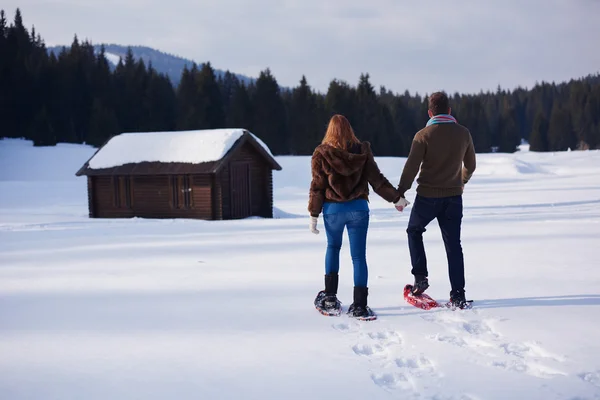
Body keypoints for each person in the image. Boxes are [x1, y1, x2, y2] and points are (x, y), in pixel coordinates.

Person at [308, 114, 403, 320]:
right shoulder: (362, 151)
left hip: (333, 210)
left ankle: (330, 298)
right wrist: (396, 199)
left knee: (333, 248)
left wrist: (314, 214)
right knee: (358, 256)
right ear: (349, 129)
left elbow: (317, 187)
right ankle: (360, 305)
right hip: (359, 208)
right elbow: (376, 180)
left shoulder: (321, 153)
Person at [396, 92, 476, 309]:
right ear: (449, 111)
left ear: (430, 112)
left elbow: (411, 168)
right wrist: (461, 181)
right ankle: (458, 294)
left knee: (414, 231)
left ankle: (420, 276)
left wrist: (400, 193)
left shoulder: (423, 135)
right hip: (453, 198)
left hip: (427, 198)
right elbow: (471, 165)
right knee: (453, 246)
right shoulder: (464, 133)